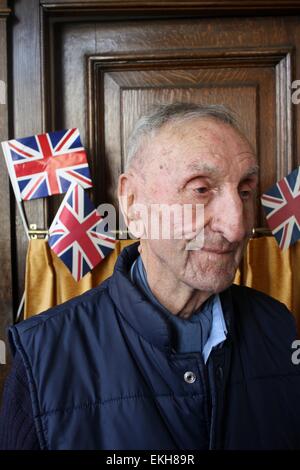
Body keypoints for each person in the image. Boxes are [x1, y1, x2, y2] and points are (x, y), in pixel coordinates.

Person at [0, 103, 300, 450]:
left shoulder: (280, 328)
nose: (236, 227)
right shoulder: (41, 359)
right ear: (132, 203)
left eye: (245, 191)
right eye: (201, 190)